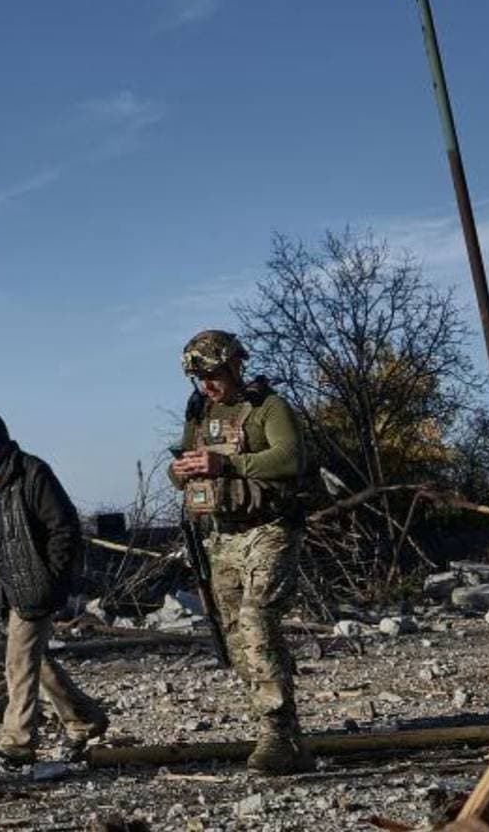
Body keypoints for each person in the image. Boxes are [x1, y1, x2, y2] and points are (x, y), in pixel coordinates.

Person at [169, 329, 310, 774]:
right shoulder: (201, 411)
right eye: (199, 378)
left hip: (268, 529)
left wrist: (228, 463)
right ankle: (283, 732)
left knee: (257, 619)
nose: (206, 385)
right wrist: (182, 471)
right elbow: (191, 469)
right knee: (235, 635)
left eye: (211, 374)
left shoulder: (269, 407)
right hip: (222, 534)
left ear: (233, 364)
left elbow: (290, 457)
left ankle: (275, 732)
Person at [0, 408, 107, 763]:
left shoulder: (32, 473)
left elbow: (64, 527)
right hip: (7, 585)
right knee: (35, 660)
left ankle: (18, 740)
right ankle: (84, 719)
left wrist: (52, 577)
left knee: (18, 662)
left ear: (0, 443)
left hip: (34, 585)